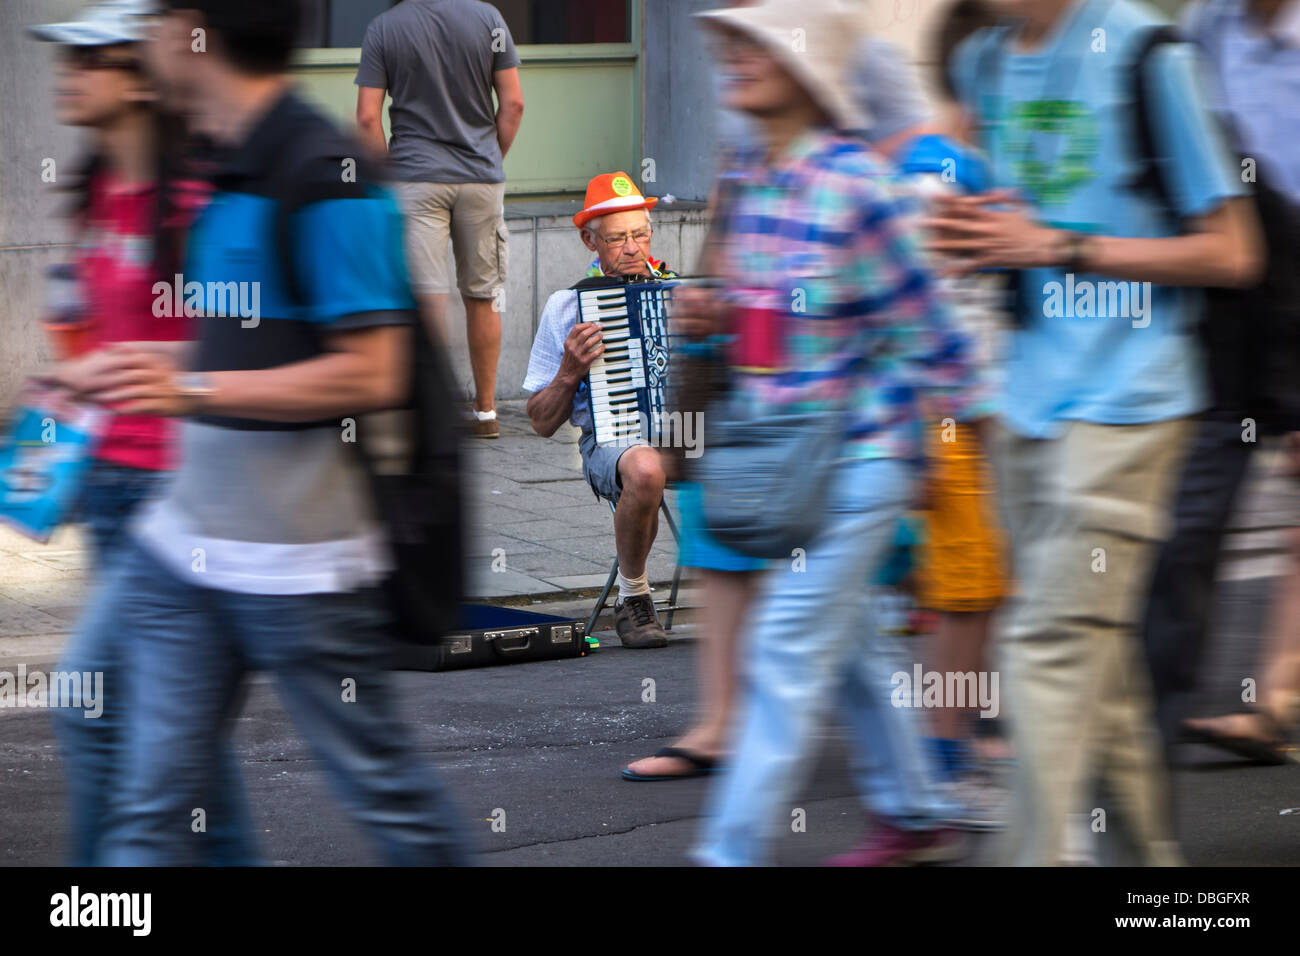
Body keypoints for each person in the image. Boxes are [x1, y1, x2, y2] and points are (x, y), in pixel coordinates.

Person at [81, 0, 469, 865]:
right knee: (143, 803)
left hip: (301, 562)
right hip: (185, 544)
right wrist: (124, 366)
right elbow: (244, 323)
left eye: (151, 18)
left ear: (194, 30)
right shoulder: (216, 154)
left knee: (390, 802)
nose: (140, 38)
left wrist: (188, 386)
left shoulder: (324, 166)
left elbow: (370, 372)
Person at [938, 0, 1264, 864]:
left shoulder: (1147, 55)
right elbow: (992, 207)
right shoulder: (985, 61)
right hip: (1027, 404)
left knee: (1047, 643)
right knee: (1098, 660)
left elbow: (1233, 251)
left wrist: (1059, 247)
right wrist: (962, 229)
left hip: (1135, 401)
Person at [686, 0, 991, 867]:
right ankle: (918, 810)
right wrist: (718, 312)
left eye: (756, 48)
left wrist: (942, 449)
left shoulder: (863, 187)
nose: (733, 61)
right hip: (789, 455)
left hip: (865, 455)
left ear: (810, 75)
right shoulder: (751, 174)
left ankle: (728, 853)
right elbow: (781, 325)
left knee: (783, 648)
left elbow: (934, 335)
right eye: (731, 47)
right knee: (851, 641)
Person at [30, 0, 253, 867]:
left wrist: (122, 364)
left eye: (88, 62)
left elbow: (244, 328)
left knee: (91, 710)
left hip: (182, 500)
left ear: (136, 80)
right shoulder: (95, 189)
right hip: (110, 491)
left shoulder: (192, 196)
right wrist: (59, 401)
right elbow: (81, 336)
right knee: (179, 748)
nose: (69, 77)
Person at [1144, 0, 1300, 766]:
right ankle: (1156, 714)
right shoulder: (1209, 25)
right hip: (1236, 291)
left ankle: (1273, 700)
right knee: (1190, 514)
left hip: (1290, 280)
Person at [355, 0, 525, 439]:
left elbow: (367, 117)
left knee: (426, 297)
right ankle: (485, 412)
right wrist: (489, 159)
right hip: (480, 178)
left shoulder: (384, 27)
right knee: (482, 295)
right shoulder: (488, 18)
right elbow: (514, 105)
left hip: (415, 177)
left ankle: (430, 412)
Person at [522, 173, 674, 650]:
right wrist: (570, 371)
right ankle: (633, 596)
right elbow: (540, 422)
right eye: (617, 238)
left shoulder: (683, 294)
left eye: (641, 234)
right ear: (589, 240)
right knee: (646, 468)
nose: (633, 248)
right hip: (614, 437)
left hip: (690, 432)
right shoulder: (567, 307)